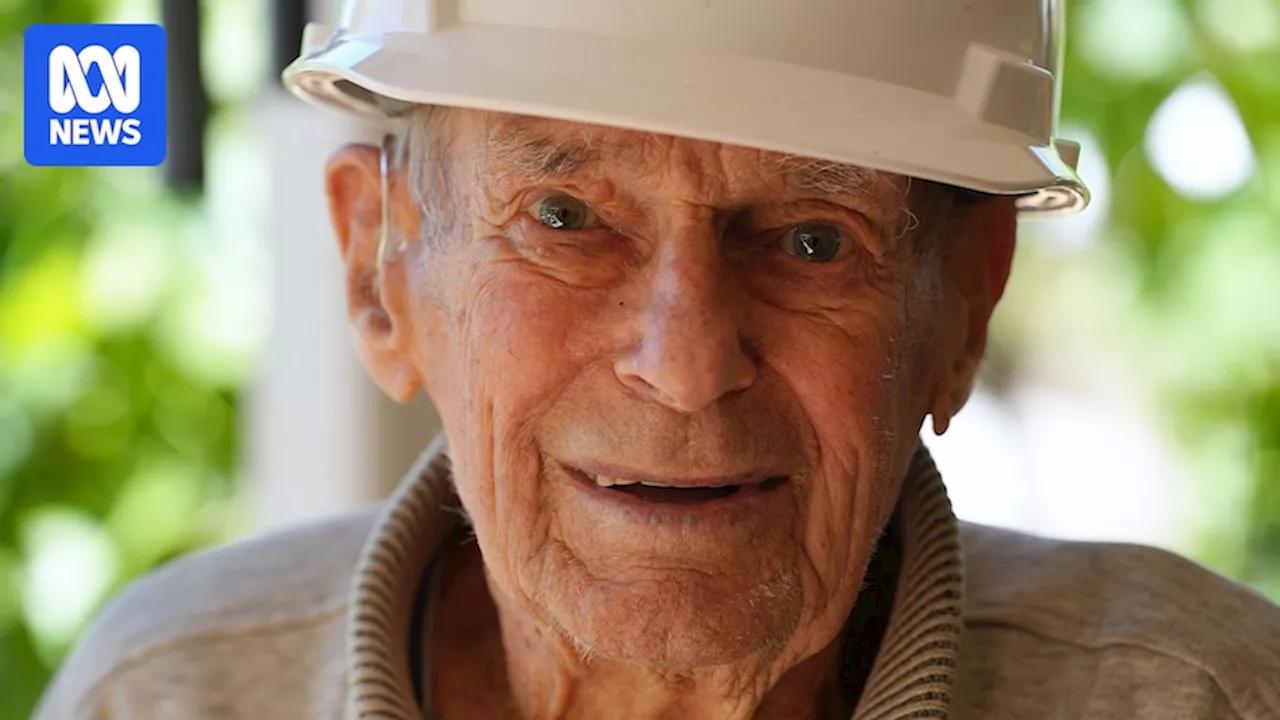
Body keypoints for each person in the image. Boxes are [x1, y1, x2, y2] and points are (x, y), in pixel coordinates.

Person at [34, 1, 1280, 718]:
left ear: (962, 305)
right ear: (378, 272)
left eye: (808, 238)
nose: (685, 366)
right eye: (564, 219)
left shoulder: (1194, 700)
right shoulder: (171, 692)